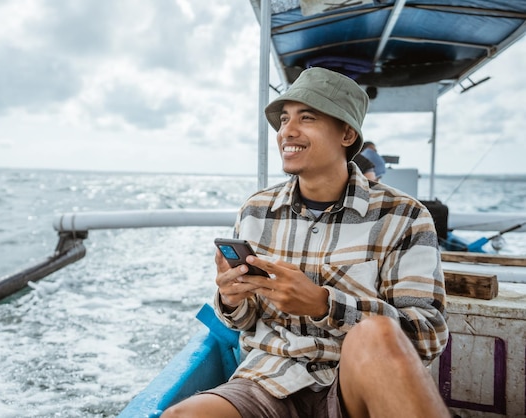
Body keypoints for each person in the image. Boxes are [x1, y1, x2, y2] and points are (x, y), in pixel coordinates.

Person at [162, 68, 449, 418]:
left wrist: (323, 305)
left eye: (307, 117)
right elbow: (242, 321)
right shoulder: (256, 211)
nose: (287, 131)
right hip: (266, 380)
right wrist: (230, 298)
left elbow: (427, 336)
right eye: (284, 119)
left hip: (352, 387)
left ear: (347, 133)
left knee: (377, 334)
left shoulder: (404, 216)